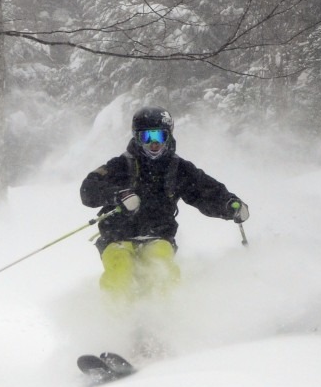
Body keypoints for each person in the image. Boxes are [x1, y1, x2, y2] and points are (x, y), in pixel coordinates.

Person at [80, 106, 249, 303]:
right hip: (117, 235)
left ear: (168, 137)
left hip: (158, 235)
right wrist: (118, 195)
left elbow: (205, 191)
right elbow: (88, 190)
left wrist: (229, 204)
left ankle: (164, 321)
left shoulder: (178, 169)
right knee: (120, 268)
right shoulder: (120, 165)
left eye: (159, 136)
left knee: (160, 269)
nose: (153, 144)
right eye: (146, 137)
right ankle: (116, 323)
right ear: (136, 138)